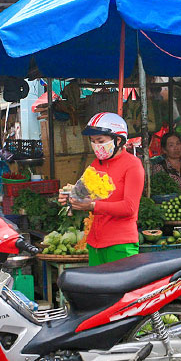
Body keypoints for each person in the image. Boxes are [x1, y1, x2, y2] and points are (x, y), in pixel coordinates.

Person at [59, 112, 144, 266]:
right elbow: (80, 195)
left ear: (118, 140)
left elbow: (129, 208)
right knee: (97, 290)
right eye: (93, 141)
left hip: (120, 244)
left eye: (101, 140)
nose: (96, 146)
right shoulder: (95, 165)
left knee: (119, 290)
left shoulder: (133, 165)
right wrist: (69, 198)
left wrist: (93, 206)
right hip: (95, 244)